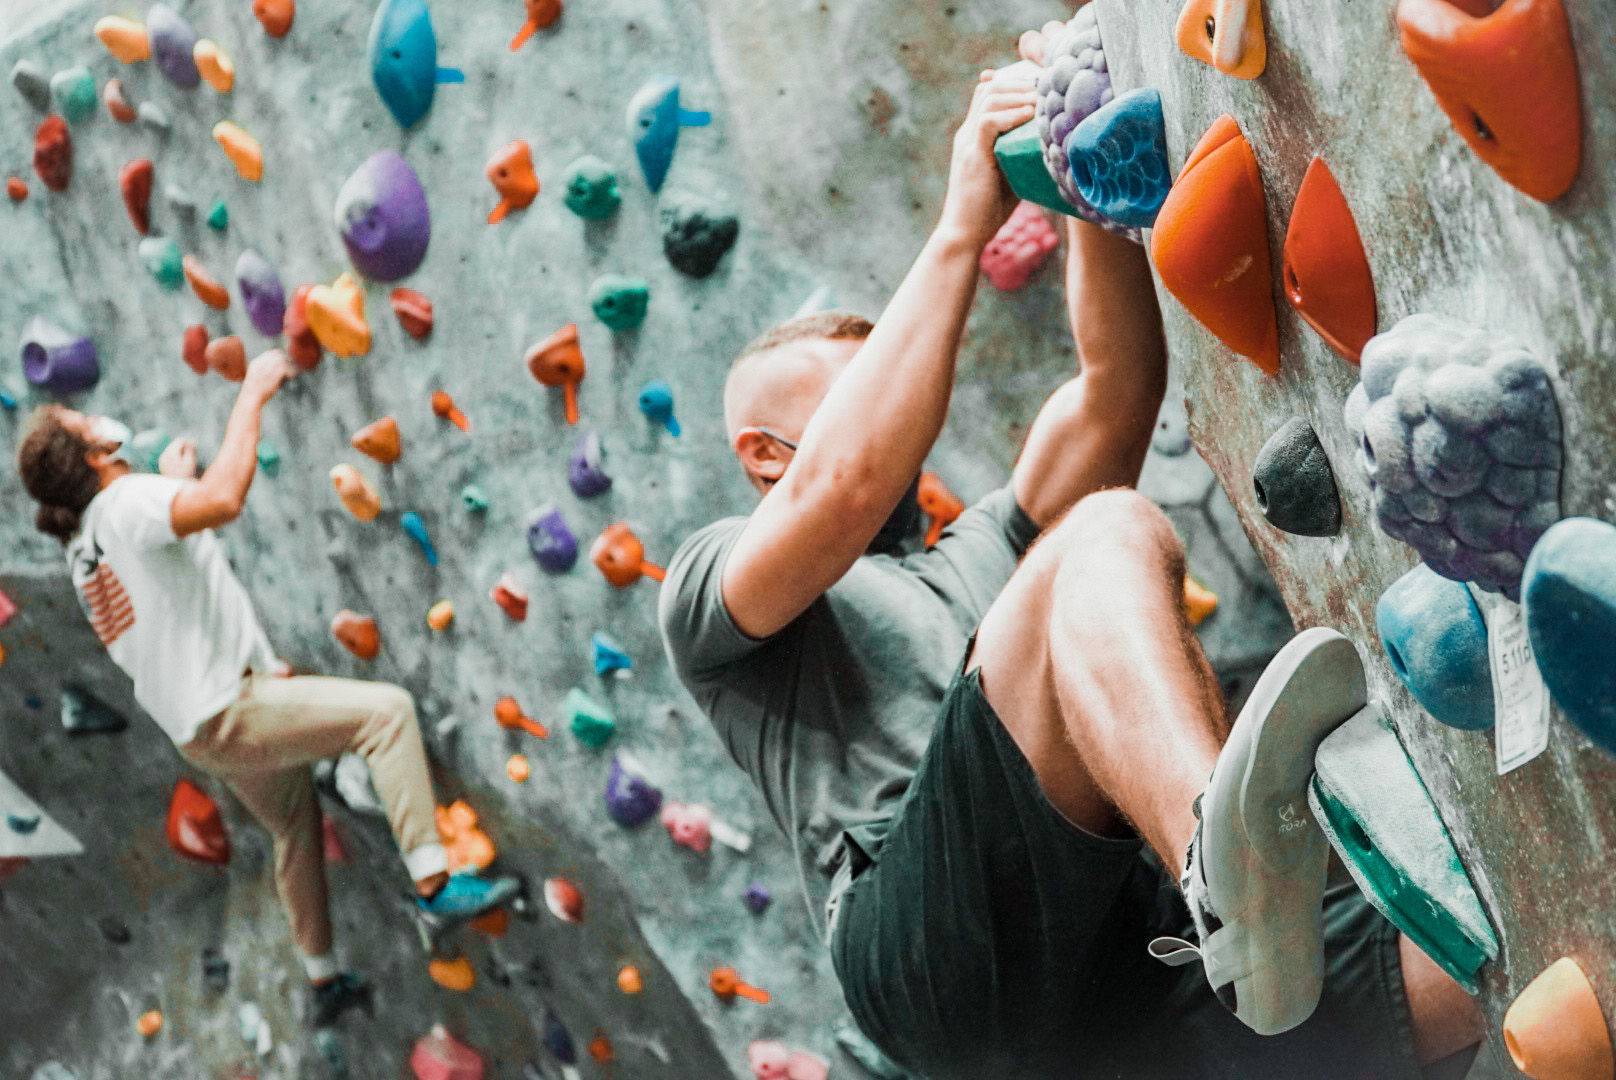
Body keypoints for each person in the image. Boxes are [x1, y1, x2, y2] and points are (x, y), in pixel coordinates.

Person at [658, 33, 1486, 1080]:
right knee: (1102, 531)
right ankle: (1220, 862)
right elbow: (844, 484)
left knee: (1490, 953)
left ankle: (1236, 897)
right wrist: (964, 219)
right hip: (927, 966)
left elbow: (1114, 385)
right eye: (852, 390)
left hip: (1112, 966)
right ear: (764, 454)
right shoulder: (709, 588)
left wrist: (1081, 153)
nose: (895, 400)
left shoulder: (981, 554)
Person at [16, 350, 519, 1028]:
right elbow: (224, 499)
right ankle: (434, 884)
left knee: (294, 827)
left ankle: (324, 979)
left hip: (202, 730)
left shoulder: (88, 541)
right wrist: (251, 392)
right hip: (229, 710)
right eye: (83, 421)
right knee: (388, 716)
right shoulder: (124, 505)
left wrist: (174, 482)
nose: (99, 419)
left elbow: (180, 589)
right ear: (93, 451)